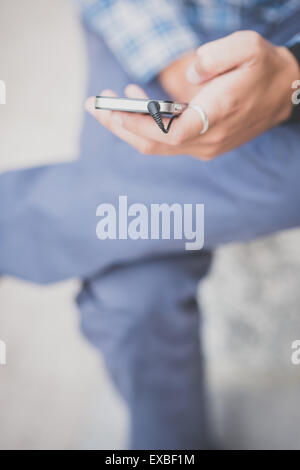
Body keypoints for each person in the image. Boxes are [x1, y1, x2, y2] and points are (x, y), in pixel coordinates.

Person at [0, 0, 300, 449]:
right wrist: (175, 62)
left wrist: (292, 75)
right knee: (137, 296)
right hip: (150, 21)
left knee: (131, 288)